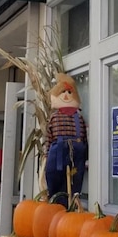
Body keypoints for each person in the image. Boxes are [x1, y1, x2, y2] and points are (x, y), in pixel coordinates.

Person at [44, 73, 88, 206]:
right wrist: (46, 153)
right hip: (59, 149)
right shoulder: (54, 117)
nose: (66, 95)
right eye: (63, 92)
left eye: (69, 92)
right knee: (54, 174)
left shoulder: (78, 117)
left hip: (77, 149)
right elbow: (49, 136)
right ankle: (58, 200)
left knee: (76, 176)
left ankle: (72, 201)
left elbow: (84, 136)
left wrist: (86, 157)